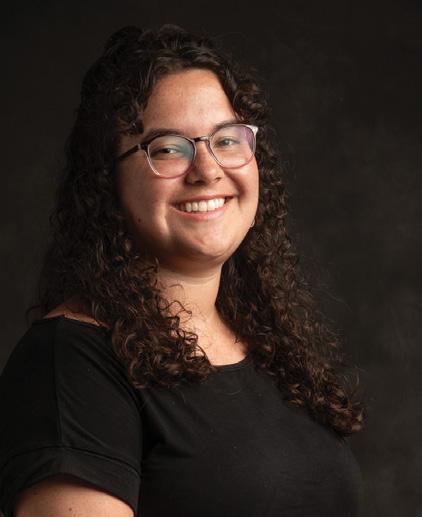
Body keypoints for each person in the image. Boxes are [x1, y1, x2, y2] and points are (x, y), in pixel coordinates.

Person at [0, 23, 366, 517]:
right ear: (107, 182)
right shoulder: (70, 363)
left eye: (227, 140)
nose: (208, 170)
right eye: (169, 148)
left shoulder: (267, 347)